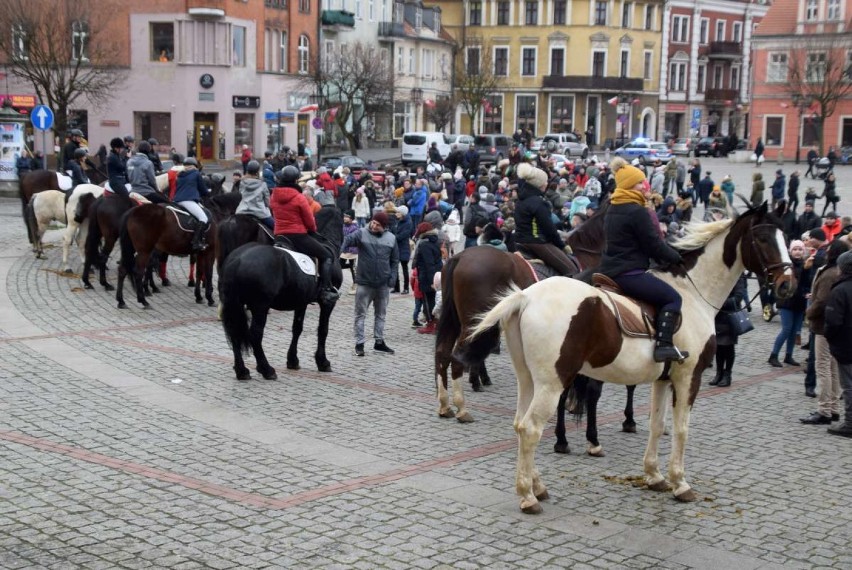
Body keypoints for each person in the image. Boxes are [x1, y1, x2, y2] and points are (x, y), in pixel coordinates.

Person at [598, 157, 687, 363]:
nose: (643, 186)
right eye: (639, 183)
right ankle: (664, 345)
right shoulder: (637, 211)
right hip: (630, 273)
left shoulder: (612, 207)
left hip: (608, 270)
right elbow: (653, 244)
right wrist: (675, 257)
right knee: (673, 298)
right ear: (629, 185)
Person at [270, 165, 339, 304]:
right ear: (296, 180)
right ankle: (325, 290)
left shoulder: (274, 196)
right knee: (326, 255)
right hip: (298, 236)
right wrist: (312, 230)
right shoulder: (299, 197)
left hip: (279, 236)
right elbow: (309, 220)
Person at [802, 239, 850, 425]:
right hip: (829, 326)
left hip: (823, 326)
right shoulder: (835, 272)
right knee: (832, 368)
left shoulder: (830, 273)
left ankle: (825, 410)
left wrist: (809, 312)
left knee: (823, 367)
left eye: (829, 249)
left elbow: (821, 301)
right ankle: (833, 408)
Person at [340, 211, 399, 356]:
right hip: (364, 283)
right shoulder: (361, 233)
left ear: (384, 227)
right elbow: (347, 240)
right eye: (373, 222)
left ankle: (379, 342)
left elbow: (394, 261)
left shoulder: (391, 238)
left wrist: (392, 278)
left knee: (381, 314)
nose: (373, 226)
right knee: (360, 314)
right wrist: (339, 251)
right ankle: (359, 344)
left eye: (378, 225)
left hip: (382, 284)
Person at [514, 163, 578, 276]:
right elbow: (549, 229)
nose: (547, 183)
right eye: (545, 181)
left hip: (520, 241)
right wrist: (562, 246)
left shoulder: (521, 200)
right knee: (572, 270)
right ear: (540, 184)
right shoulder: (539, 202)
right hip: (537, 242)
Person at [822, 250, 852, 437]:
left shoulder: (840, 290)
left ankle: (850, 423)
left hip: (846, 346)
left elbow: (833, 321)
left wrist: (829, 336)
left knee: (848, 386)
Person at [768, 240, 811, 367]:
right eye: (795, 249)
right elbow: (789, 283)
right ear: (790, 251)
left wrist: (807, 293)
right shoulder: (787, 265)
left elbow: (805, 284)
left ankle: (788, 355)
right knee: (786, 329)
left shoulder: (806, 265)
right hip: (786, 302)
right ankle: (773, 355)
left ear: (804, 251)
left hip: (799, 302)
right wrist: (804, 269)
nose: (797, 252)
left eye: (800, 249)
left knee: (795, 331)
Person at [710, 273, 748, 387]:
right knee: (718, 347)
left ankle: (727, 375)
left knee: (728, 347)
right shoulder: (719, 273)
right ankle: (719, 373)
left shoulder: (738, 276)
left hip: (730, 317)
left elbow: (738, 297)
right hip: (717, 316)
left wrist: (719, 303)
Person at [173, 157, 211, 251]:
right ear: (194, 166)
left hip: (177, 200)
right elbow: (202, 189)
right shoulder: (196, 173)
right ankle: (196, 242)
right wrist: (208, 191)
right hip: (188, 200)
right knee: (203, 218)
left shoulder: (180, 174)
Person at [413, 221, 443, 334]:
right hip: (437, 275)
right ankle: (437, 323)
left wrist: (432, 281)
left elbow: (428, 264)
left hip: (428, 277)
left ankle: (431, 324)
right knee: (435, 300)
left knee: (428, 301)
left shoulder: (424, 245)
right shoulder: (435, 241)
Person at [235, 160, 273, 230]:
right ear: (257, 171)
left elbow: (240, 195)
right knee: (276, 228)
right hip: (260, 213)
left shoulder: (242, 183)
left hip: (242, 211)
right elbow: (267, 202)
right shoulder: (263, 184)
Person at [391, 205, 413, 294]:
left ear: (403, 214)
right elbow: (393, 230)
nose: (396, 214)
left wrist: (392, 237)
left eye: (398, 212)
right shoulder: (397, 221)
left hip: (403, 247)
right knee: (395, 268)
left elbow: (403, 235)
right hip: (396, 247)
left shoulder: (408, 222)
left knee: (404, 268)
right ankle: (396, 287)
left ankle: (406, 288)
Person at [340, 210, 360, 294]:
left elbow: (353, 239)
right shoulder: (342, 226)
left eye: (347, 217)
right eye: (344, 216)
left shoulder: (355, 228)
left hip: (352, 250)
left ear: (351, 218)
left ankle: (355, 284)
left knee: (353, 268)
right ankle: (350, 267)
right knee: (340, 264)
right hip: (344, 250)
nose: (345, 218)